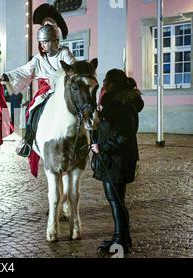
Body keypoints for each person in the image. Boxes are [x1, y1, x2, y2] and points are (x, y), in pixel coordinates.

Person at [2, 20, 76, 157]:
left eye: (45, 42)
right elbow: (24, 70)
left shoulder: (64, 54)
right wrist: (8, 76)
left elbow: (74, 69)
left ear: (55, 41)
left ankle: (91, 139)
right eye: (41, 42)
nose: (42, 45)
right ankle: (28, 141)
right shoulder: (38, 59)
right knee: (32, 110)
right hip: (48, 93)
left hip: (65, 92)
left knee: (84, 108)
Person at [91, 69, 144, 254]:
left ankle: (120, 241)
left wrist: (101, 147)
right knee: (117, 200)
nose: (103, 85)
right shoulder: (119, 103)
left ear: (111, 84)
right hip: (117, 159)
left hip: (117, 160)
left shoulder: (120, 105)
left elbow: (123, 135)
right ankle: (121, 237)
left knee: (116, 201)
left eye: (105, 81)